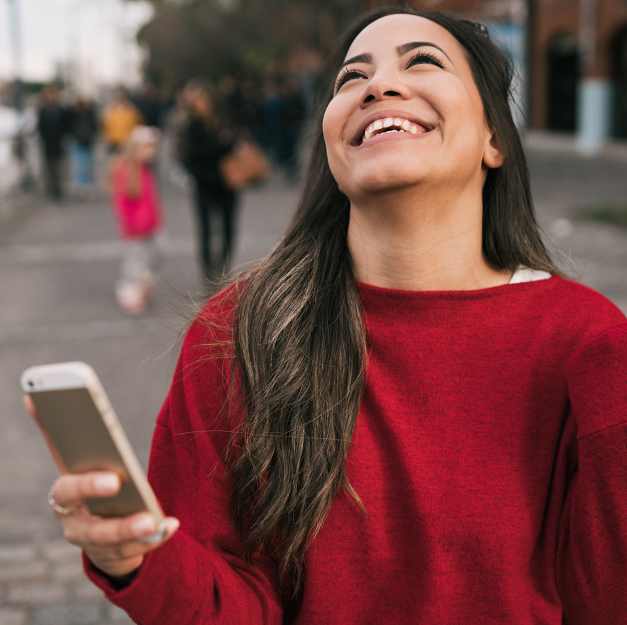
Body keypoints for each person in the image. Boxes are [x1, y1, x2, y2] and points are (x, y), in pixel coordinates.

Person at [36, 8, 627, 624]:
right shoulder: (238, 332)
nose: (379, 86)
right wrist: (138, 556)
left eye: (422, 61)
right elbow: (231, 606)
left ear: (495, 139)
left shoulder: (591, 345)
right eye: (352, 78)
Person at [178, 81, 238, 282]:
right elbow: (191, 155)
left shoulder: (223, 121)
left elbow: (233, 145)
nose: (201, 105)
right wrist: (221, 145)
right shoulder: (191, 126)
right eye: (197, 102)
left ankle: (224, 270)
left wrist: (224, 144)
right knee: (205, 232)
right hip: (203, 185)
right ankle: (208, 276)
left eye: (204, 101)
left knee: (228, 229)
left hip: (227, 183)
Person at [109, 126, 164, 315]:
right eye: (147, 148)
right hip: (134, 229)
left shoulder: (145, 169)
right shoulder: (126, 171)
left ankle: (143, 281)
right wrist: (133, 223)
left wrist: (156, 218)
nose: (152, 152)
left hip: (150, 225)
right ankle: (129, 290)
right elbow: (121, 203)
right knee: (133, 260)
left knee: (155, 253)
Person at [36, 84, 69, 200]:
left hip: (59, 143)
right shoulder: (43, 110)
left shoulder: (61, 110)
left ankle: (58, 189)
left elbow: (66, 126)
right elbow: (40, 127)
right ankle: (51, 190)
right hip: (47, 144)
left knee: (59, 167)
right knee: (48, 168)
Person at [68, 96, 98, 196]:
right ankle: (80, 184)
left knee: (86, 164)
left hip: (87, 141)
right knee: (79, 164)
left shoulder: (89, 113)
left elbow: (94, 125)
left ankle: (86, 184)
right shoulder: (74, 114)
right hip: (78, 141)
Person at [101, 89, 143, 154]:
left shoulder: (131, 110)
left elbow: (138, 122)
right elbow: (103, 124)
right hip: (113, 140)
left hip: (127, 140)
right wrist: (106, 137)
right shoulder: (109, 110)